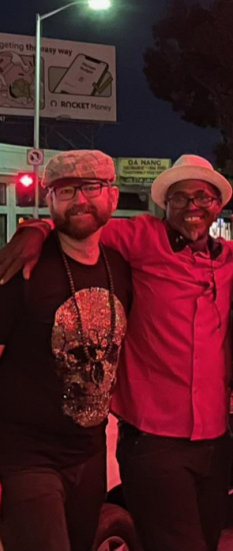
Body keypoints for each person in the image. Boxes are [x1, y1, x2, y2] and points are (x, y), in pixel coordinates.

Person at [0, 154, 233, 551]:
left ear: (218, 205)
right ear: (166, 204)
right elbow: (78, 226)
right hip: (147, 441)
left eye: (203, 197)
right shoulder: (138, 239)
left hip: (206, 440)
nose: (193, 207)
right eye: (180, 198)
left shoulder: (230, 259)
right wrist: (35, 229)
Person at [0, 151, 132, 551]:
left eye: (90, 188)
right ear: (50, 200)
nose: (79, 200)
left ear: (113, 195)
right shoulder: (21, 269)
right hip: (27, 456)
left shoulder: (121, 268)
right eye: (65, 190)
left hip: (89, 454)